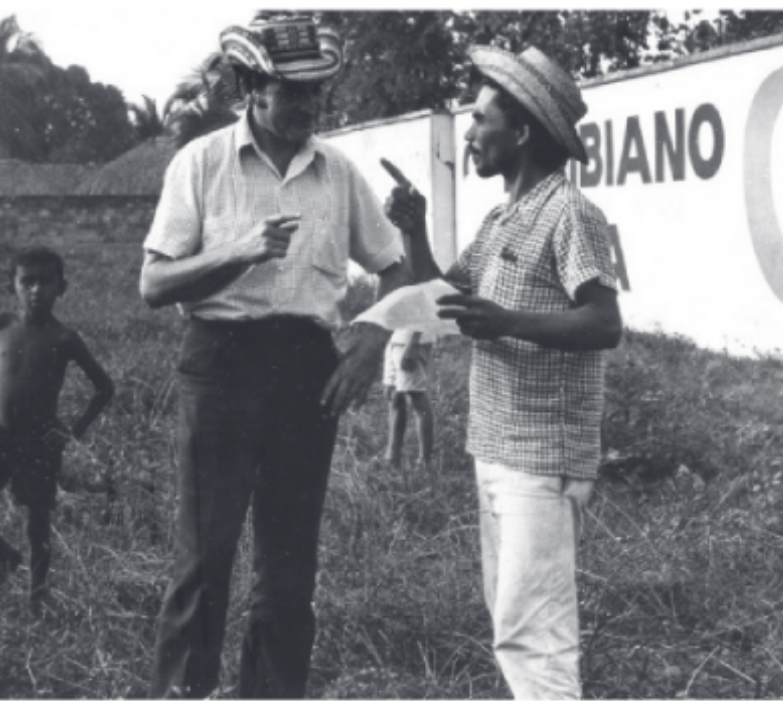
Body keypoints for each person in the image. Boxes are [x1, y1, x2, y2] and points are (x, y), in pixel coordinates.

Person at [139, 15, 410, 699]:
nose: (309, 109)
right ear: (250, 89)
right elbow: (153, 284)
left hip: (306, 371)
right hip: (221, 366)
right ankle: (185, 693)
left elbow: (396, 268)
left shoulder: (336, 171)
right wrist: (239, 249)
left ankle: (273, 694)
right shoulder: (200, 164)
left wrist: (371, 343)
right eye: (292, 93)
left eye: (317, 95)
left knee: (290, 564)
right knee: (206, 555)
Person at [385, 45, 622, 699]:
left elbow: (604, 322)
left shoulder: (569, 213)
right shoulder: (500, 218)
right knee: (511, 627)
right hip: (495, 449)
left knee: (533, 640)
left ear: (520, 133)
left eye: (481, 119)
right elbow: (444, 299)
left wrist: (509, 321)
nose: (469, 133)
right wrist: (412, 230)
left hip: (542, 458)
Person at [0, 247, 115, 616]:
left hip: (39, 443)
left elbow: (105, 388)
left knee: (37, 525)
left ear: (61, 287)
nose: (36, 290)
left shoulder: (66, 338)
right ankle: (2, 555)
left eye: (46, 281)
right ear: (13, 286)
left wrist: (73, 431)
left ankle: (37, 600)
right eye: (27, 281)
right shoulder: (1, 322)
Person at [382, 328, 435, 469]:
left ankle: (424, 461)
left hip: (411, 341)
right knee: (394, 395)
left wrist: (415, 341)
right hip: (395, 338)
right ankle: (392, 457)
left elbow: (424, 309)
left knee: (416, 396)